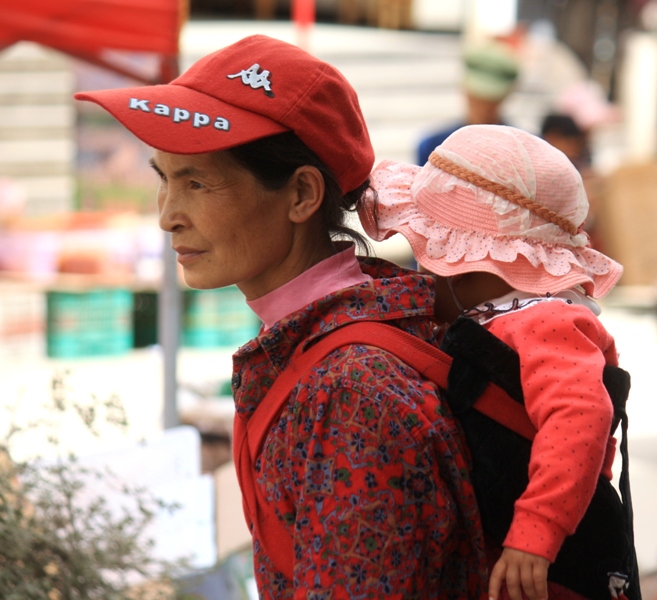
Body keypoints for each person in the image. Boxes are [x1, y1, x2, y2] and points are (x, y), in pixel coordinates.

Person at [74, 35, 489, 598]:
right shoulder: (315, 350)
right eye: (163, 179)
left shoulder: (354, 394)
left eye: (196, 182)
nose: (168, 216)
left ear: (301, 194)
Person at [360, 124, 636, 600]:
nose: (423, 271)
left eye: (431, 255)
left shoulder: (542, 323)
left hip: (552, 566)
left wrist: (537, 530)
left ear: (473, 266)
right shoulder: (490, 319)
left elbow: (580, 416)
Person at [416, 40, 520, 166]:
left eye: (490, 99)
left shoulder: (523, 152)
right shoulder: (433, 146)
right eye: (476, 97)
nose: (482, 106)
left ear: (505, 96)